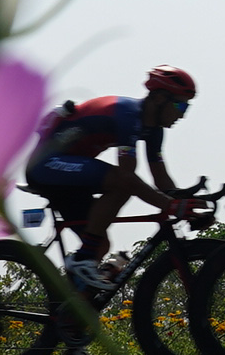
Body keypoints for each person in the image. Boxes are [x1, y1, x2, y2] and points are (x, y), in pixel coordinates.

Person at [26, 65, 202, 280]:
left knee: (99, 245)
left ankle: (71, 306)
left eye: (186, 108)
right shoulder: (128, 115)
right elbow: (126, 177)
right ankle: (82, 259)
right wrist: (170, 205)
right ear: (158, 98)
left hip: (69, 174)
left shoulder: (154, 130)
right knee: (122, 182)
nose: (181, 115)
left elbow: (162, 182)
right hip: (46, 165)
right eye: (180, 105)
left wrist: (189, 204)